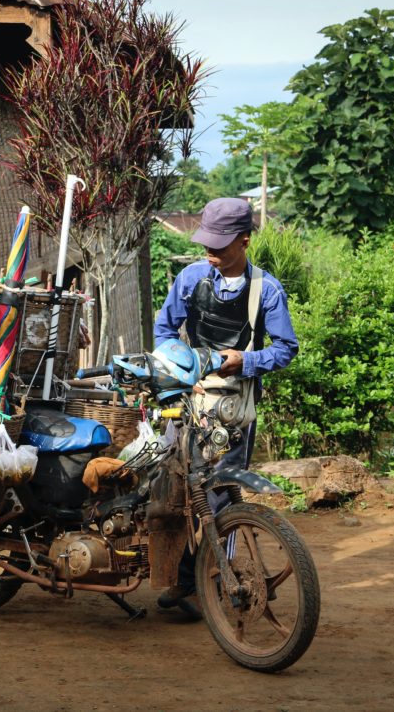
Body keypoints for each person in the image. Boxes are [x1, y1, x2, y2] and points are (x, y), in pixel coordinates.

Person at [152, 197, 299, 617]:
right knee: (175, 490)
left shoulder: (266, 291)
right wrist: (180, 362)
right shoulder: (190, 278)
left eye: (219, 245)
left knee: (220, 498)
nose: (210, 253)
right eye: (206, 244)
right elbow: (165, 328)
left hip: (233, 407)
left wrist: (246, 361)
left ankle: (217, 583)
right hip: (186, 396)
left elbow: (286, 349)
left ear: (245, 241)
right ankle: (183, 579)